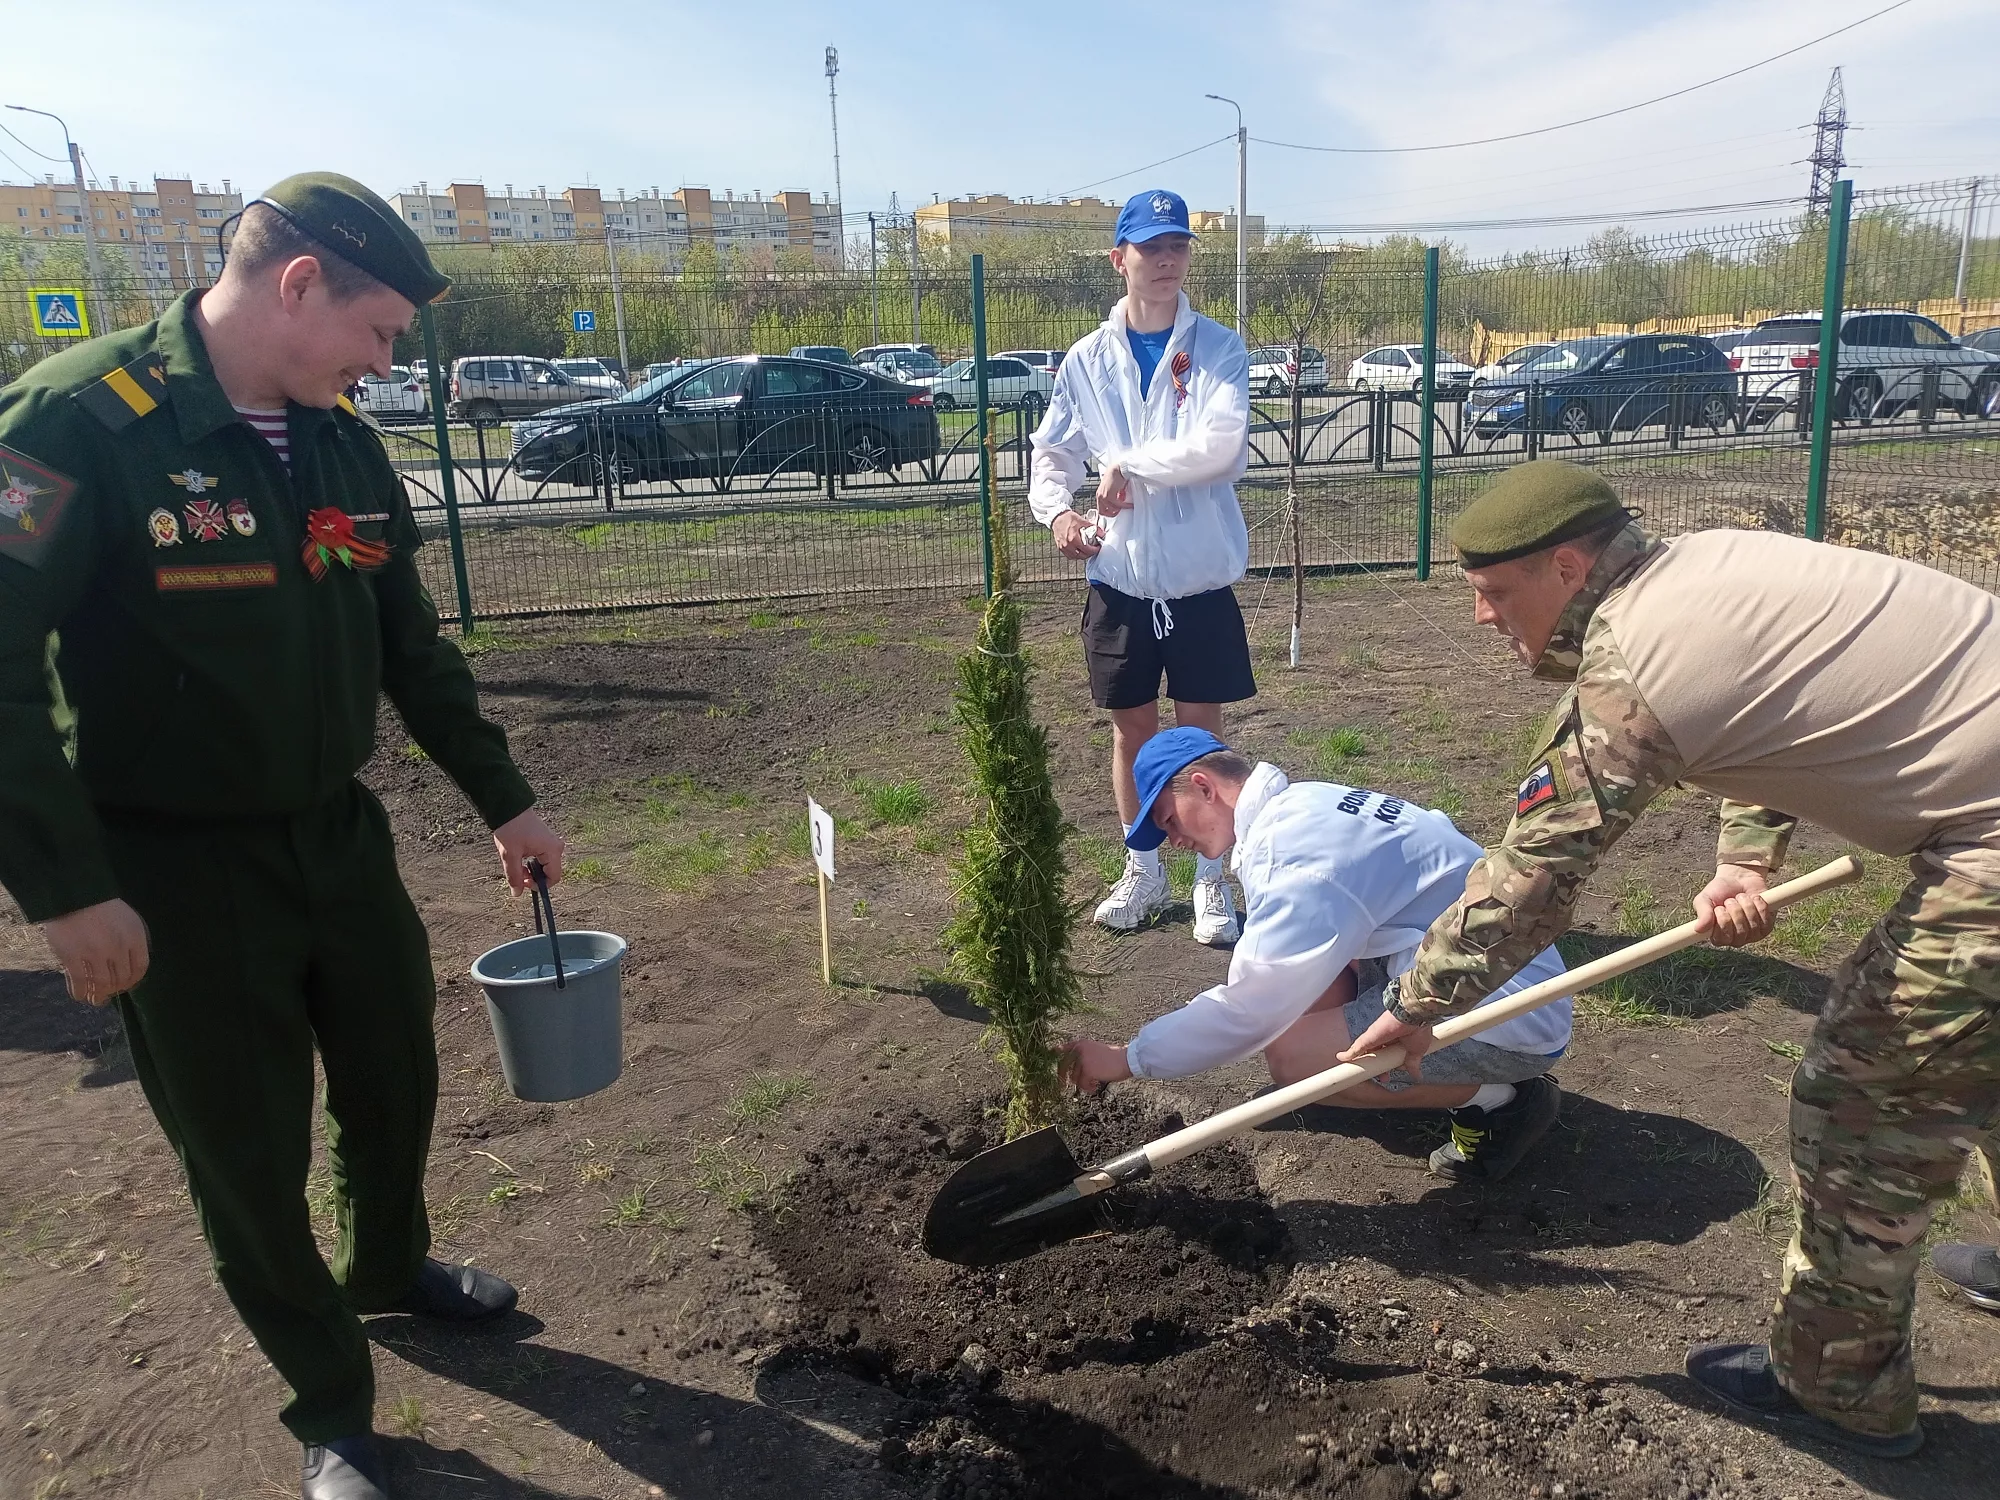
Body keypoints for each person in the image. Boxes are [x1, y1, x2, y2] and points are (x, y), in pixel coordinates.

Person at [0, 173, 566, 1500]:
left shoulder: (339, 447)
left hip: (333, 836)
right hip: (171, 866)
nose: (384, 366)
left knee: (393, 1075)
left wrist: (506, 798)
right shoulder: (73, 426)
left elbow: (408, 648)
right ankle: (331, 1401)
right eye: (377, 335)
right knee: (246, 1147)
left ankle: (384, 1268)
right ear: (299, 284)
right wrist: (65, 889)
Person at [1340, 458, 2000, 1460]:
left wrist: (1419, 1002)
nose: (1480, 618)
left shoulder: (1636, 661)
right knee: (1973, 1043)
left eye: (1491, 593)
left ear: (1563, 565)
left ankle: (1836, 1387)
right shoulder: (1712, 567)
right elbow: (1795, 699)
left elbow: (1534, 868)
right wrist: (1743, 860)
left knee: (1866, 1095)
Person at [1060, 727, 1568, 1178]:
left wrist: (1128, 1059)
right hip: (1458, 961)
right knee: (1303, 999)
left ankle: (1503, 1100)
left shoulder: (1296, 857)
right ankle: (1355, 1075)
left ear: (1202, 786)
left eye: (1169, 821)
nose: (1172, 841)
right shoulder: (1305, 804)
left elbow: (1250, 1008)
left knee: (1293, 1063)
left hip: (1504, 1008)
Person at [1029, 188, 1254, 947]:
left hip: (1198, 584)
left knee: (1203, 737)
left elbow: (1221, 448)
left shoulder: (1218, 347)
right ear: (1118, 258)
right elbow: (1051, 455)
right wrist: (1059, 513)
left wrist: (1127, 464)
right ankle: (1144, 868)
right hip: (1119, 585)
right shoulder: (1087, 360)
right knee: (1132, 734)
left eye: (1178, 245)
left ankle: (1211, 880)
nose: (1166, 259)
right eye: (1150, 246)